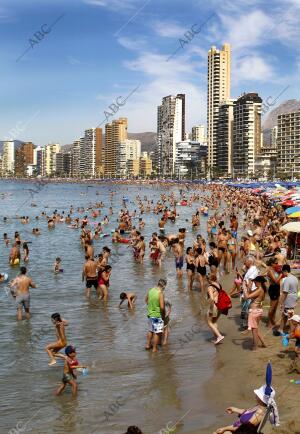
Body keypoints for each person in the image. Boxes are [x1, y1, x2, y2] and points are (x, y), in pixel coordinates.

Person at [213, 384, 279, 433]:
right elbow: (248, 412)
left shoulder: (259, 414)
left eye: (257, 394)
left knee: (216, 433)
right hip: (241, 429)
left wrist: (224, 428)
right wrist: (235, 409)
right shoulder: (260, 407)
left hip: (242, 431)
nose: (255, 395)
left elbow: (242, 429)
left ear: (260, 398)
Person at [244, 276, 267, 351]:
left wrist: (244, 287)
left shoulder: (259, 289)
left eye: (255, 282)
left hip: (254, 311)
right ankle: (263, 343)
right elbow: (251, 293)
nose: (254, 283)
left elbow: (247, 296)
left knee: (254, 330)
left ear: (259, 282)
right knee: (256, 329)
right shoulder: (261, 289)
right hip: (258, 310)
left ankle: (255, 347)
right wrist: (248, 286)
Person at [145, 279, 166, 353]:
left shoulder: (151, 290)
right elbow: (162, 307)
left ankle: (147, 345)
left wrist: (151, 306)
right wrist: (163, 315)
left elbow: (146, 300)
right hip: (157, 315)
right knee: (157, 332)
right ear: (163, 286)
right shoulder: (160, 293)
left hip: (150, 314)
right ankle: (154, 348)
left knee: (150, 330)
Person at [278, 264, 298, 333]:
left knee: (289, 316)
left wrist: (281, 302)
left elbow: (285, 293)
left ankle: (293, 332)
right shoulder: (295, 278)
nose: (282, 274)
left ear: (285, 271)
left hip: (288, 299)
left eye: (283, 272)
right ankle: (280, 329)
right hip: (294, 298)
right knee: (285, 315)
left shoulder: (287, 280)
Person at [206, 274, 224, 345]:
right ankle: (217, 338)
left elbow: (212, 299)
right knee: (214, 321)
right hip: (220, 305)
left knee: (209, 322)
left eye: (207, 279)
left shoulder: (210, 287)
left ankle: (219, 336)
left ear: (209, 279)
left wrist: (211, 309)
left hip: (214, 306)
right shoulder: (218, 284)